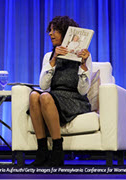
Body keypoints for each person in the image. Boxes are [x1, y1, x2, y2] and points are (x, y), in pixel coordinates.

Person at [28, 16, 92, 166]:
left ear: (66, 33)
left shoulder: (83, 56)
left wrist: (83, 65)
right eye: (50, 31)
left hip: (74, 98)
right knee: (34, 96)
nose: (50, 34)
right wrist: (54, 60)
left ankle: (57, 150)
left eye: (55, 30)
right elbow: (44, 85)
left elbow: (83, 91)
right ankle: (42, 150)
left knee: (44, 97)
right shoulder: (49, 56)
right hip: (54, 95)